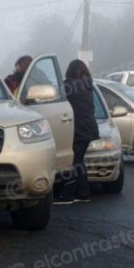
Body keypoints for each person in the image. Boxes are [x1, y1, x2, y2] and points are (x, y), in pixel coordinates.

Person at [55, 60, 100, 205]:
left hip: (78, 128)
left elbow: (59, 104)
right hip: (89, 127)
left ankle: (68, 195)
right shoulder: (87, 84)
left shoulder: (68, 85)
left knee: (73, 161)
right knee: (78, 161)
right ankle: (83, 193)